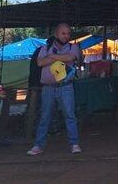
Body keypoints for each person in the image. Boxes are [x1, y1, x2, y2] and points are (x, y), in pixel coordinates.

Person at [28, 23, 82, 156]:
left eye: (68, 33)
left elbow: (71, 58)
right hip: (48, 88)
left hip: (66, 87)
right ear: (57, 34)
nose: (66, 36)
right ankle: (38, 145)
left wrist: (51, 57)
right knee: (44, 117)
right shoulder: (44, 48)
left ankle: (74, 144)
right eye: (63, 33)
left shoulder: (73, 47)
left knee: (69, 115)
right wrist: (59, 57)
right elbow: (40, 63)